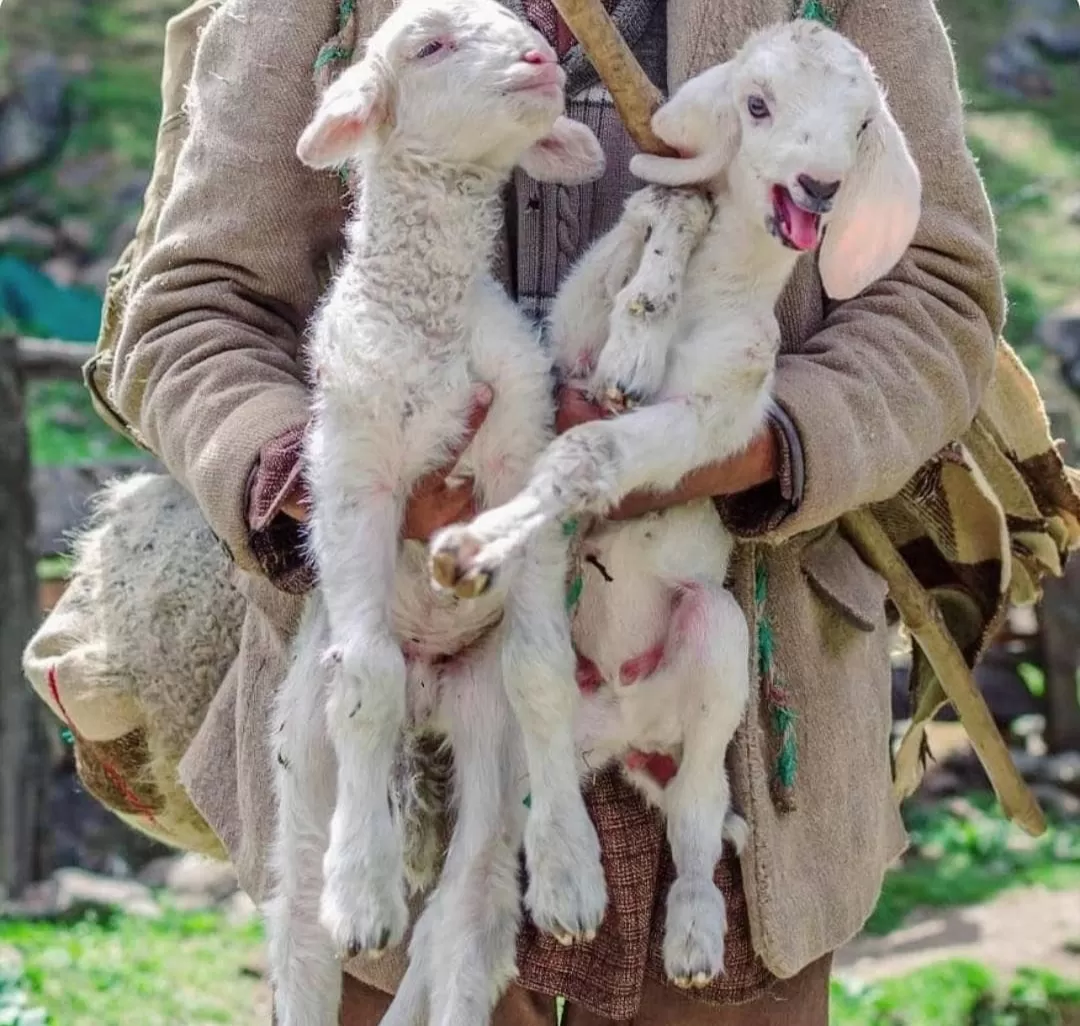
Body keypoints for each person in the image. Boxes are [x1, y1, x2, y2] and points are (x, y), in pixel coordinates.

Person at [106, 0, 1004, 1022]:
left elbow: (934, 296)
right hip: (406, 728)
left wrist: (741, 443)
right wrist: (348, 479)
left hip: (726, 717)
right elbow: (194, 304)